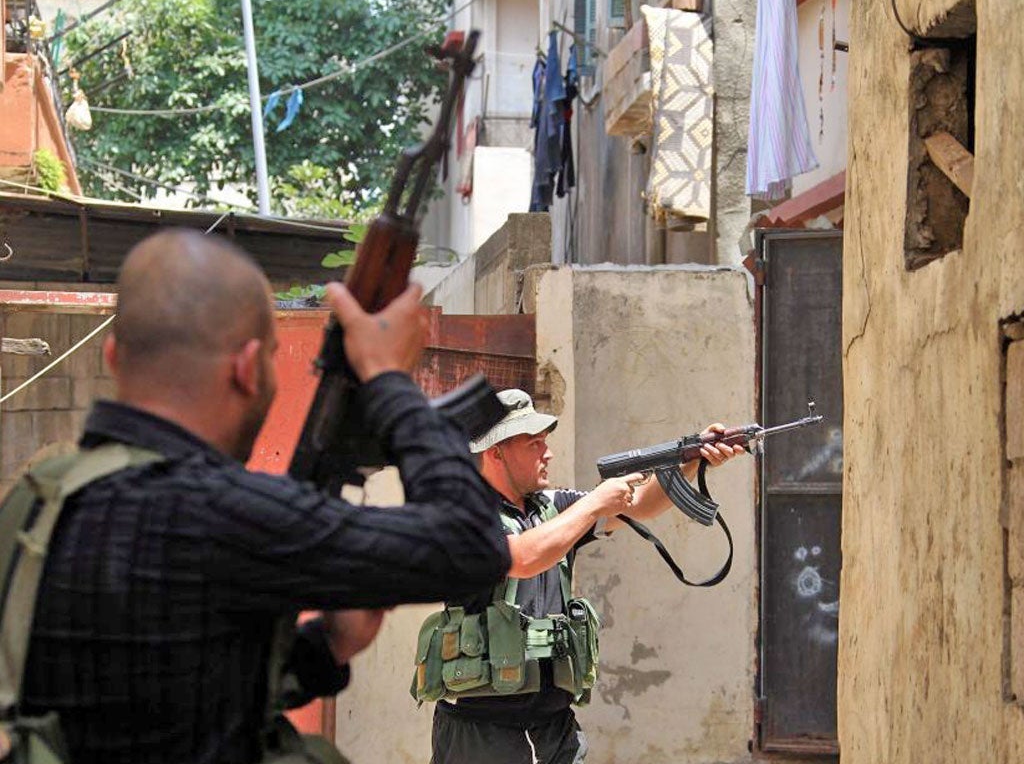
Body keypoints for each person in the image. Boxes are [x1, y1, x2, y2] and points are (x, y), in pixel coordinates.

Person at [10, 228, 511, 764]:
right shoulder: (220, 512)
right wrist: (388, 377)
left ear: (112, 355)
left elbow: (158, 698)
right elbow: (473, 548)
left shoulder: (36, 503)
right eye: (273, 356)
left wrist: (327, 647)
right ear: (248, 367)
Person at [417, 389, 745, 764]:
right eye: (534, 444)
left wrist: (692, 459)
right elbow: (522, 556)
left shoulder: (552, 507)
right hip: (481, 732)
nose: (548, 452)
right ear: (496, 452)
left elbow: (640, 505)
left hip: (552, 725)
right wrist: (593, 504)